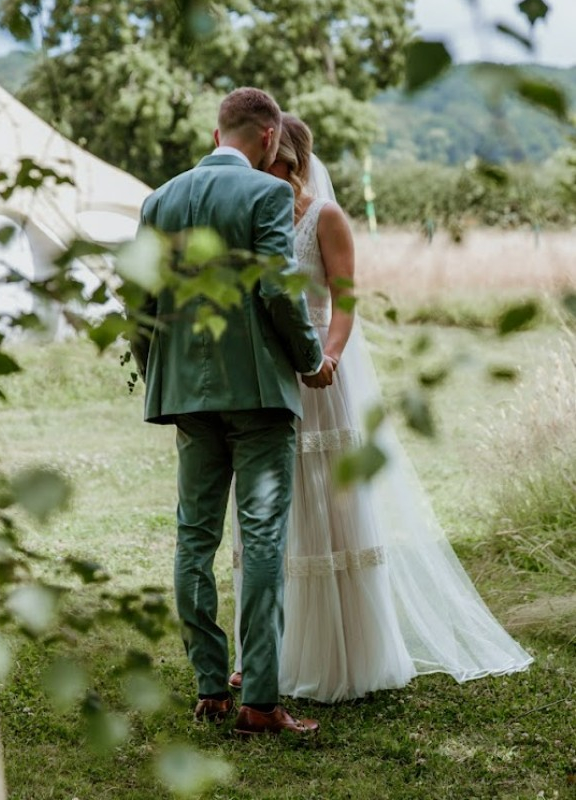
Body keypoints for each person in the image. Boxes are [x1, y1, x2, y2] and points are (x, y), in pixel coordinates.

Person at [230, 113, 533, 702]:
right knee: (271, 511)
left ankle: (340, 657)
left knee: (326, 504)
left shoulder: (327, 216)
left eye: (265, 160)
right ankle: (269, 656)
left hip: (321, 376)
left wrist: (329, 357)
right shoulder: (254, 217)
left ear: (286, 159)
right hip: (268, 377)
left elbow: (345, 302)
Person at [132, 88, 336, 736]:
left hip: (187, 397)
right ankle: (260, 702)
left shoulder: (158, 201)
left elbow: (138, 303)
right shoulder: (267, 195)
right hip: (257, 393)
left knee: (195, 536)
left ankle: (210, 686)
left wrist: (153, 372)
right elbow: (279, 288)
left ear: (216, 132)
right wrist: (309, 359)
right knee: (265, 538)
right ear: (270, 138)